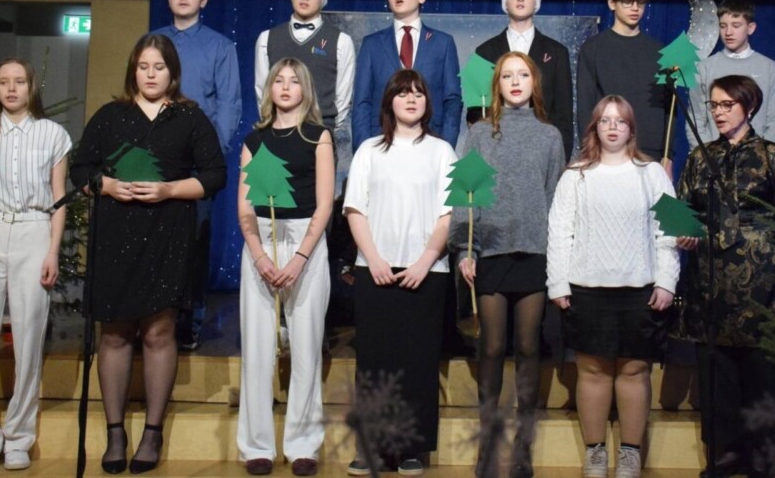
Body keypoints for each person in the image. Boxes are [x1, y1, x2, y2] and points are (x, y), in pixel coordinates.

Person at [70, 34, 226, 475]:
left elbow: (214, 175)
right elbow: (81, 169)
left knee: (159, 332)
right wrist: (106, 185)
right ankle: (115, 432)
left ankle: (153, 432)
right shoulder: (110, 116)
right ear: (132, 71)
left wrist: (168, 190)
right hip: (115, 234)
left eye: (159, 67)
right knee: (115, 334)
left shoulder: (189, 118)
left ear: (172, 72)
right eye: (143, 67)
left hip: (168, 233)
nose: (151, 74)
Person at [675, 75, 775, 478]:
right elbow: (680, 210)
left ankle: (767, 457)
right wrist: (684, 230)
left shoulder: (773, 156)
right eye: (714, 105)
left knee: (762, 370)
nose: (719, 112)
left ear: (749, 107)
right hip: (710, 278)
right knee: (717, 370)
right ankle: (725, 453)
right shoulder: (699, 158)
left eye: (727, 104)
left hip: (761, 278)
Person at [546, 95, 679, 478]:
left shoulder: (652, 174)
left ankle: (630, 453)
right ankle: (595, 452)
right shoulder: (575, 175)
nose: (613, 127)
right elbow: (559, 231)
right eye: (605, 120)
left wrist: (667, 281)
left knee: (634, 371)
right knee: (593, 372)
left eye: (620, 120)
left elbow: (669, 231)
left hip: (640, 291)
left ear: (631, 128)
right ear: (595, 127)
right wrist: (558, 282)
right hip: (587, 290)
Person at [0, 58, 72, 474]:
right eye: (4, 81)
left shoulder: (53, 134)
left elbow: (58, 199)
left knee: (28, 334)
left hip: (33, 230)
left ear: (30, 86)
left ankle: (19, 436)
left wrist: (52, 251)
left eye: (19, 81)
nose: (11, 88)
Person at [453, 52, 565, 478]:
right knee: (492, 347)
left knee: (529, 347)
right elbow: (464, 197)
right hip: (491, 254)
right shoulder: (479, 134)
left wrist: (558, 257)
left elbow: (556, 199)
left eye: (523, 75)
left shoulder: (550, 136)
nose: (515, 82)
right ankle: (487, 444)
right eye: (507, 76)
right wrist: (464, 249)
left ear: (534, 83)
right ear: (496, 85)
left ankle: (523, 447)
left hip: (534, 253)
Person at [343, 69, 456, 477]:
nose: (411, 99)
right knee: (375, 362)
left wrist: (426, 260)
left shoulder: (442, 151)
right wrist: (373, 257)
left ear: (428, 102)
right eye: (403, 93)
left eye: (419, 93)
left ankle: (411, 448)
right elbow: (355, 208)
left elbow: (449, 213)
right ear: (389, 101)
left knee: (418, 362)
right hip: (375, 270)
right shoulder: (369, 150)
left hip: (427, 271)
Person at [237, 58, 334, 477]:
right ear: (270, 88)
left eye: (294, 80)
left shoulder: (318, 137)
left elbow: (325, 204)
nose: (286, 86)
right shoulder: (254, 140)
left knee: (306, 348)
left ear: (305, 89)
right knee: (258, 349)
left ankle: (302, 445)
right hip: (262, 241)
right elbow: (245, 207)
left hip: (305, 242)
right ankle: (257, 445)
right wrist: (260, 256)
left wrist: (299, 258)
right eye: (279, 79)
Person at [151, 0, 242, 351]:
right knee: (153, 243)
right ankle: (152, 318)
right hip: (154, 159)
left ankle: (189, 322)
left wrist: (211, 154)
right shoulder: (152, 42)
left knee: (193, 244)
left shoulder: (219, 46)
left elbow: (229, 103)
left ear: (203, 0)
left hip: (196, 163)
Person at [351, 0, 462, 152]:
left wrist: (446, 146)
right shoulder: (372, 44)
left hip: (430, 142)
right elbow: (362, 101)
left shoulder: (443, 43)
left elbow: (452, 100)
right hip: (381, 143)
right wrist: (363, 149)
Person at [468, 0, 574, 159]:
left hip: (542, 151)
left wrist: (559, 161)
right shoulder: (484, 51)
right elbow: (476, 111)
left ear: (536, 3)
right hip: (496, 149)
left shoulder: (557, 52)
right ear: (505, 3)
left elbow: (563, 114)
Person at [254, 0, 356, 133]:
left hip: (320, 132)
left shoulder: (341, 41)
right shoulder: (267, 38)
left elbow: (343, 96)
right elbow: (262, 89)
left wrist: (326, 130)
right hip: (277, 132)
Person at [576, 0, 670, 163]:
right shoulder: (593, 48)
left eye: (640, 2)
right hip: (607, 148)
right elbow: (585, 105)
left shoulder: (659, 51)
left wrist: (669, 154)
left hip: (650, 149)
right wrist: (589, 149)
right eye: (627, 2)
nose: (635, 8)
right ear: (612, 3)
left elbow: (670, 107)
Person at [687, 0, 775, 147]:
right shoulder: (704, 68)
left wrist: (765, 155)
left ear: (750, 28)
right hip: (715, 156)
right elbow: (696, 119)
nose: (728, 32)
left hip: (756, 156)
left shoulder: (769, 68)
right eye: (723, 26)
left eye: (736, 25)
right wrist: (707, 154)